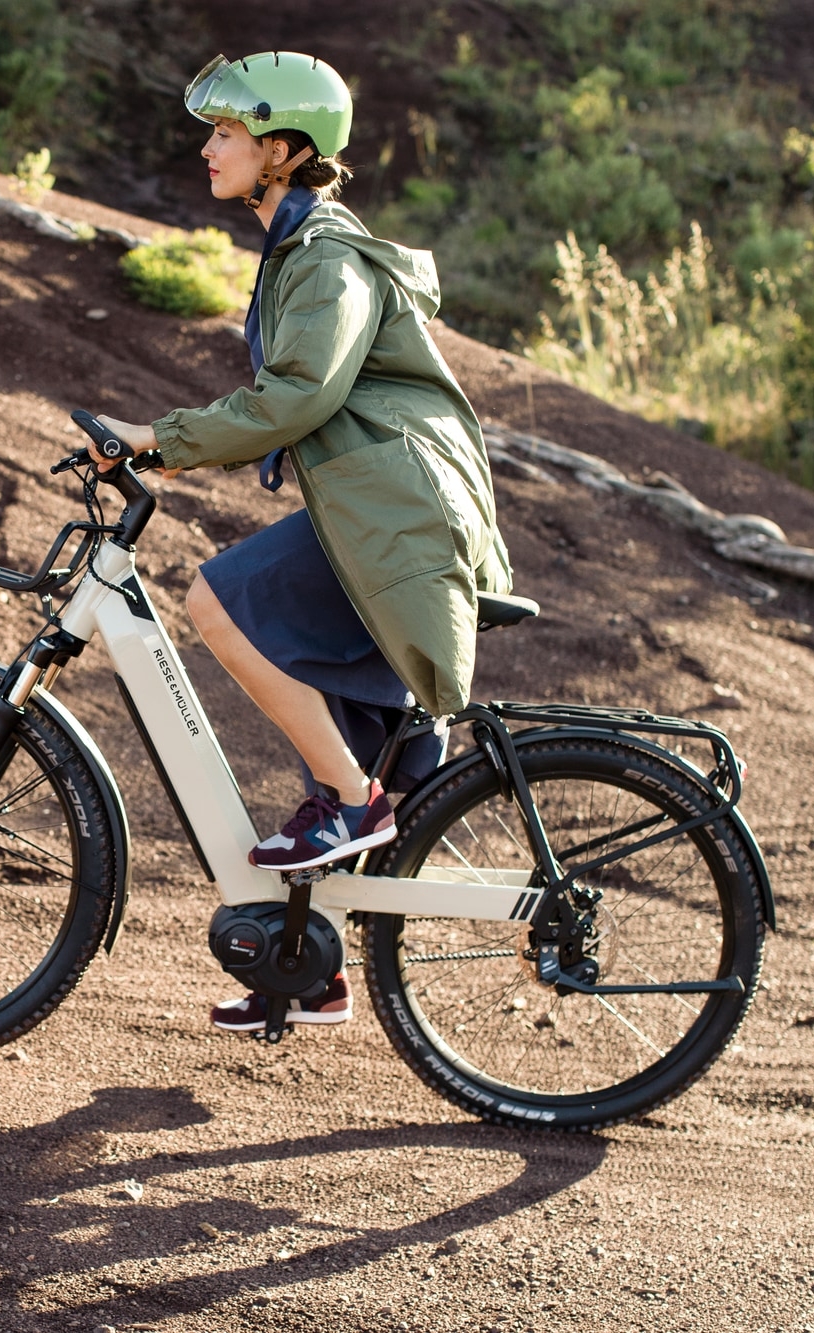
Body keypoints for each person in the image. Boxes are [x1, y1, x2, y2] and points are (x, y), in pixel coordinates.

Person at [94, 52, 513, 1032]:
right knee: (325, 778)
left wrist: (161, 440)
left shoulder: (324, 253)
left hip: (399, 517)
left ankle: (351, 798)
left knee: (215, 603)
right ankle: (305, 969)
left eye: (226, 135)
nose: (208, 150)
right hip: (376, 510)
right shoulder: (299, 247)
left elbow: (298, 393)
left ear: (281, 150)